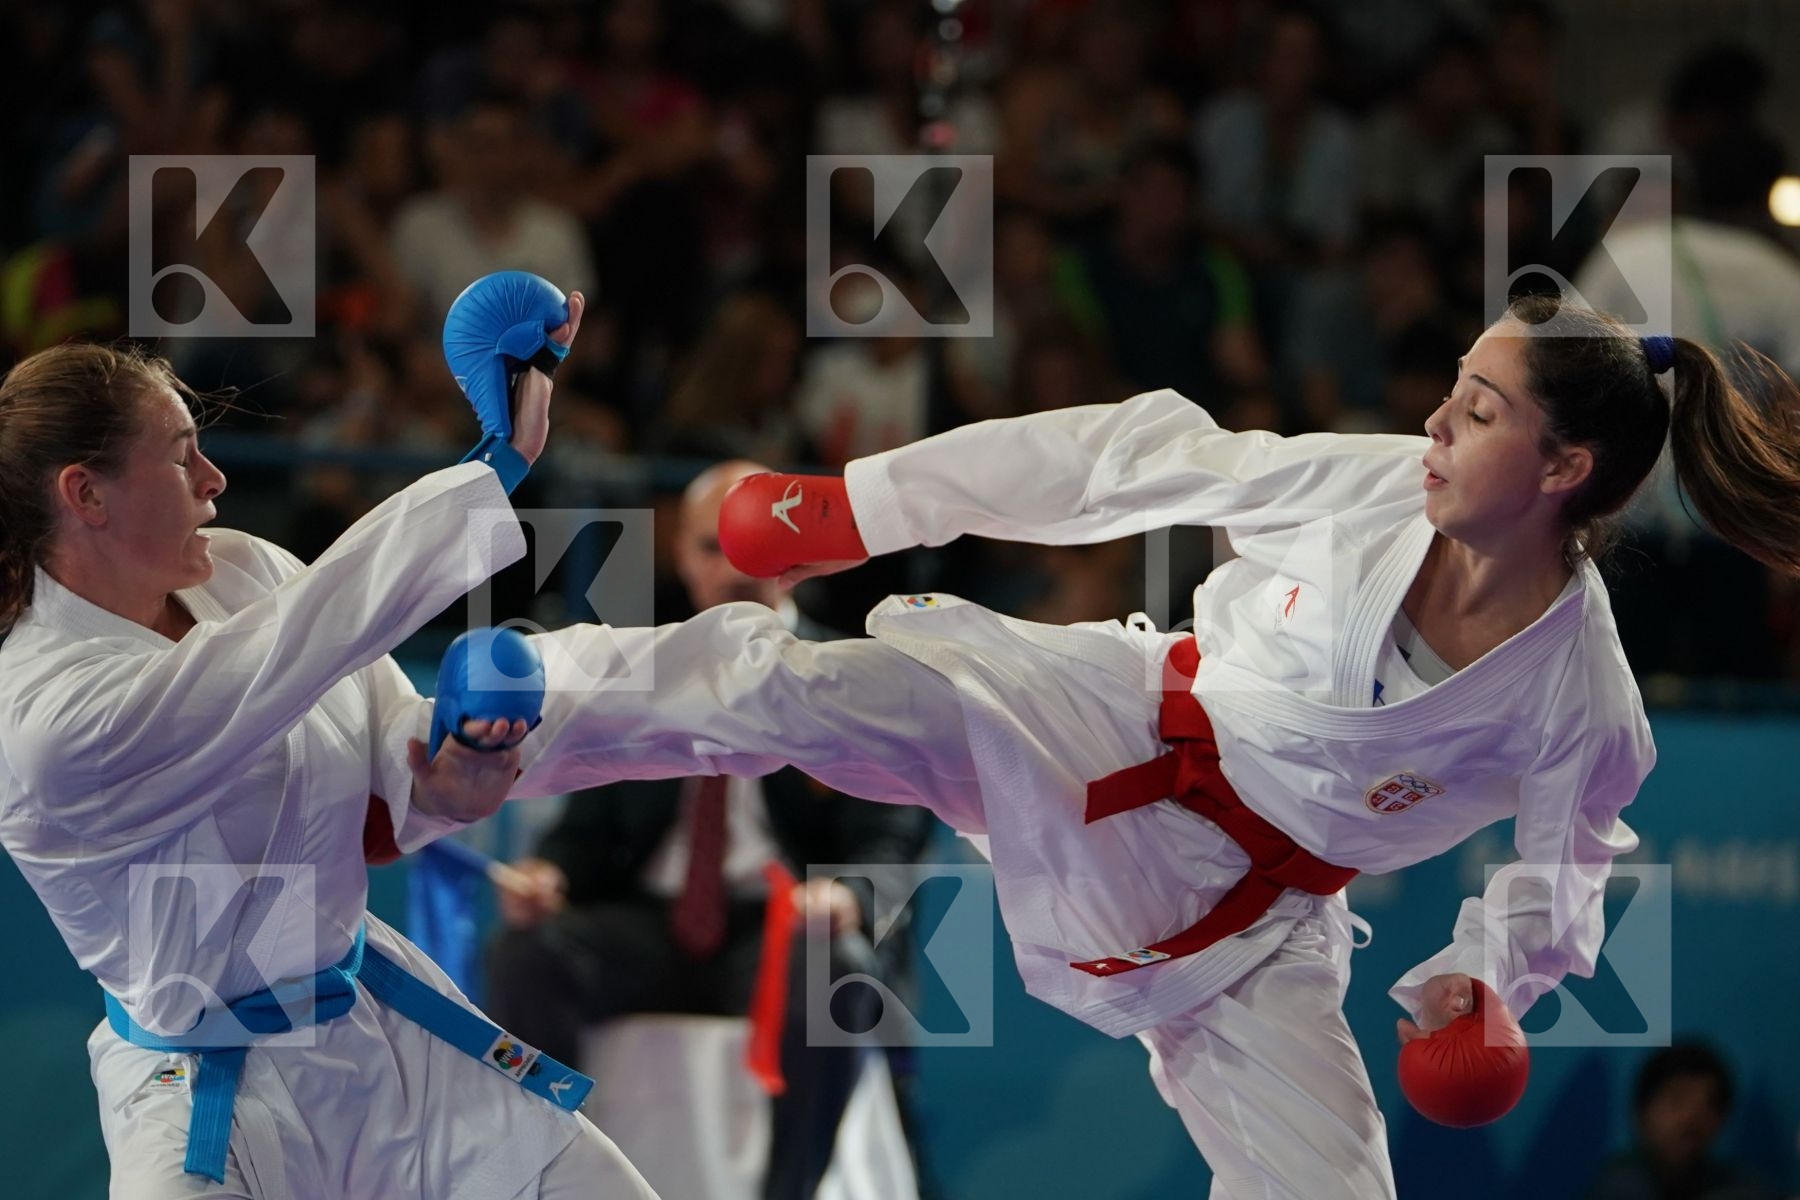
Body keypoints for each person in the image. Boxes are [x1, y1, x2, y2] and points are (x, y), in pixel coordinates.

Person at [490, 293, 1800, 1198]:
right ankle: (540, 687)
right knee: (820, 693)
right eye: (1451, 396)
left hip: (1247, 928)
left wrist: (1486, 977)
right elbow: (1122, 461)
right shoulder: (1373, 486)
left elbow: (1567, 876)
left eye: (1476, 411)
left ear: (1563, 465)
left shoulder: (1582, 699)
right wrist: (858, 506)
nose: (1437, 429)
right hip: (1102, 722)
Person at [0, 291, 662, 1199]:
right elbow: (302, 644)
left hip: (379, 1026)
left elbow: (384, 747)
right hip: (205, 1089)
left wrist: (450, 771)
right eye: (180, 453)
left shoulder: (245, 568)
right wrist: (492, 464)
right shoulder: (49, 714)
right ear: (86, 494)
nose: (214, 478)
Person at [484, 461, 933, 1200]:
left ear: (797, 557)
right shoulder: (642, 669)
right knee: (529, 955)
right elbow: (586, 826)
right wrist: (551, 877)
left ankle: (789, 1193)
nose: (732, 568)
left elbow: (893, 836)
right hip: (650, 930)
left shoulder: (855, 675)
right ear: (683, 560)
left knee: (837, 965)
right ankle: (545, 1178)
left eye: (753, 544)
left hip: (783, 932)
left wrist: (848, 898)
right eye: (711, 547)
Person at [1586, 1042, 1779, 1200]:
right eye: (1677, 1100)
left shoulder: (1732, 1181)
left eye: (1709, 1105)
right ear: (1642, 1112)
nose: (1692, 1116)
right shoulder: (1621, 1184)